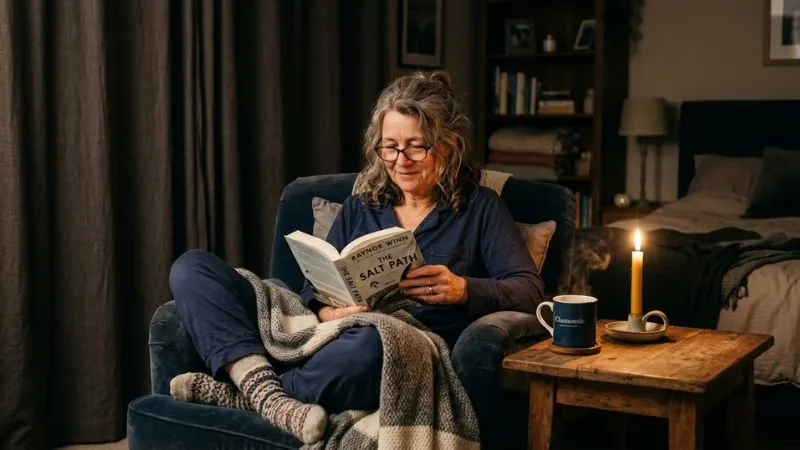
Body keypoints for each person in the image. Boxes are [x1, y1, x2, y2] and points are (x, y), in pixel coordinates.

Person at [168, 71, 545, 444]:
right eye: (390, 146)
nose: (401, 160)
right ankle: (271, 397)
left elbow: (530, 291)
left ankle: (246, 394)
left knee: (372, 347)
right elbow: (309, 293)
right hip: (322, 334)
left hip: (389, 346)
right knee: (191, 267)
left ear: (447, 145)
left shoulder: (481, 209)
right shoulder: (360, 206)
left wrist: (463, 289)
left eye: (416, 146)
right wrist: (329, 312)